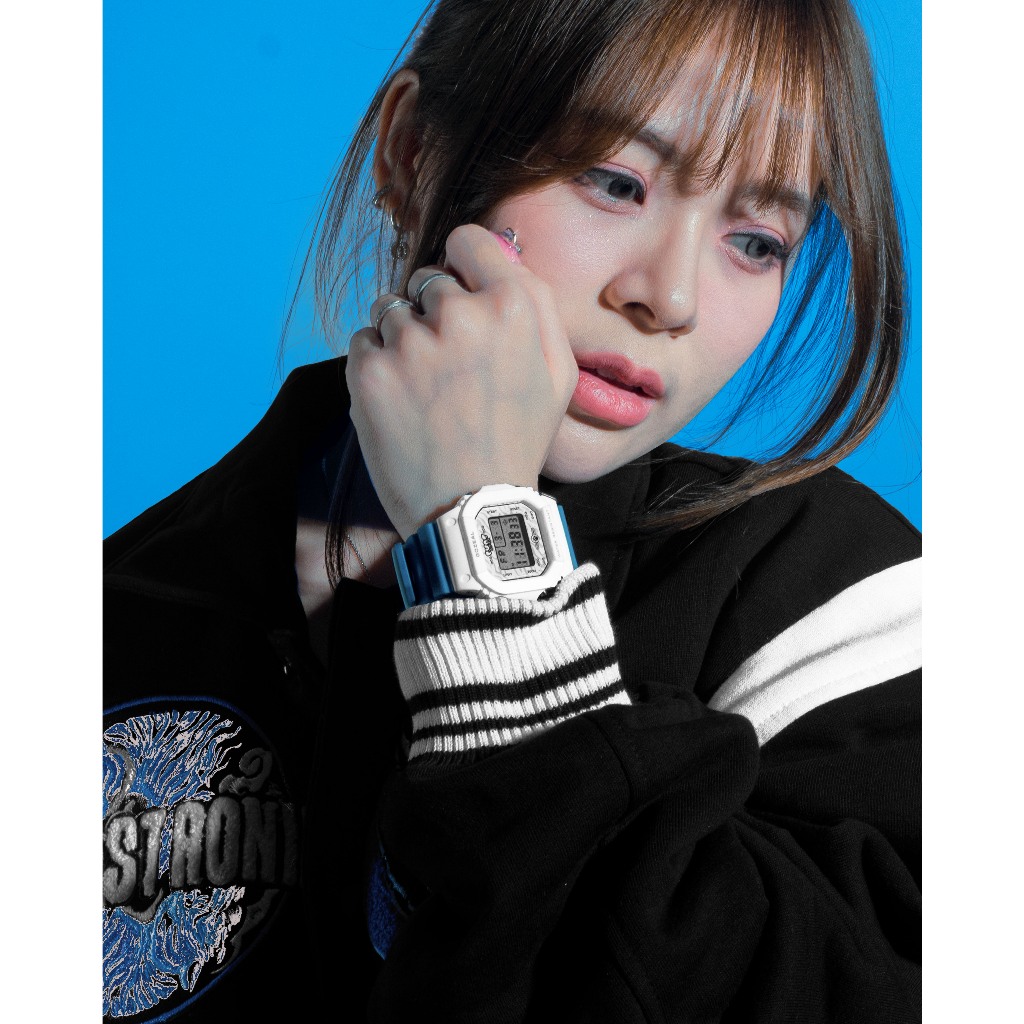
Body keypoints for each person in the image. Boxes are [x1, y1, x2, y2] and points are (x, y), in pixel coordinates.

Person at [103, 0, 921, 1021]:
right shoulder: (125, 605)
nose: (669, 297)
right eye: (615, 182)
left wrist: (480, 541)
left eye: (756, 242)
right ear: (411, 153)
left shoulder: (839, 609)